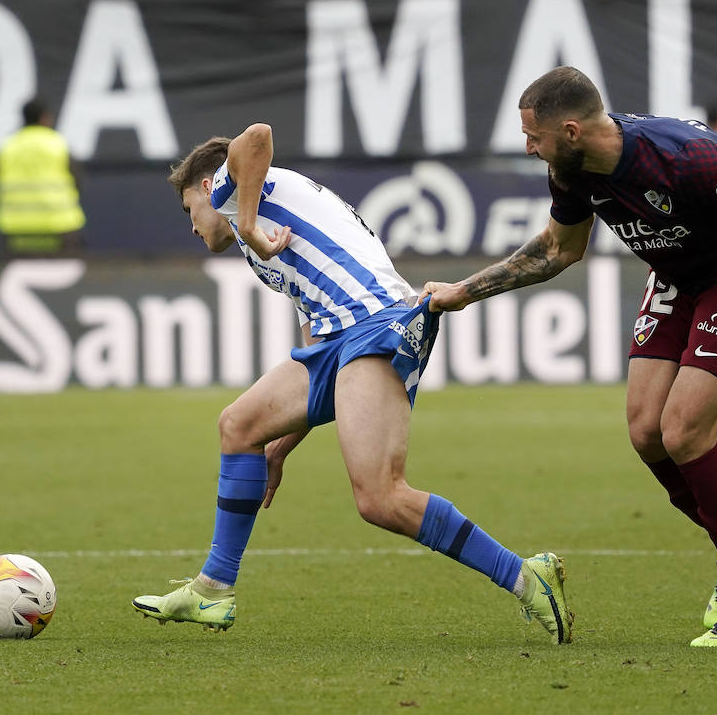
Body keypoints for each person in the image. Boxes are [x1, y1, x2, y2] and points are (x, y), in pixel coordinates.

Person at [423, 67, 717, 648]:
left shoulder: (690, 158)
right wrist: (464, 291)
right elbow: (561, 248)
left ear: (573, 130)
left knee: (684, 432)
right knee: (645, 432)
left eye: (535, 136)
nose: (528, 148)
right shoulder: (570, 171)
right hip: (680, 276)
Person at [130, 123, 575, 644]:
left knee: (381, 499)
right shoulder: (261, 250)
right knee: (241, 426)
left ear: (209, 187)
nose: (192, 226)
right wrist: (282, 445)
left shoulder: (233, 194)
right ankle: (214, 587)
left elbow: (256, 137)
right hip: (336, 339)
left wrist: (247, 224)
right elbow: (311, 342)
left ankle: (526, 578)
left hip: (377, 324)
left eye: (189, 211)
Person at [0, 97, 85, 254]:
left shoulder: (7, 146)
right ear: (44, 118)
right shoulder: (58, 144)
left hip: (15, 226)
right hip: (59, 225)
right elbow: (77, 182)